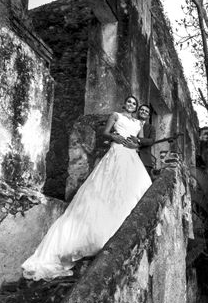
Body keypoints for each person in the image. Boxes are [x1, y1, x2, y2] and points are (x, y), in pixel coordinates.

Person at [21, 95, 152, 281]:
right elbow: (105, 133)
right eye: (129, 102)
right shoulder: (116, 115)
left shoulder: (138, 123)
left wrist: (136, 144)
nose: (131, 105)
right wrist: (113, 136)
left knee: (136, 188)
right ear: (125, 104)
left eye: (134, 103)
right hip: (115, 152)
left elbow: (140, 140)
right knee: (107, 189)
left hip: (131, 156)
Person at [136, 104, 156, 178]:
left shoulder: (151, 128)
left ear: (148, 116)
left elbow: (151, 141)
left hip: (145, 161)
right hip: (130, 156)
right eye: (142, 110)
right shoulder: (131, 123)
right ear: (138, 111)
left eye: (146, 111)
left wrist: (138, 140)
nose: (144, 112)